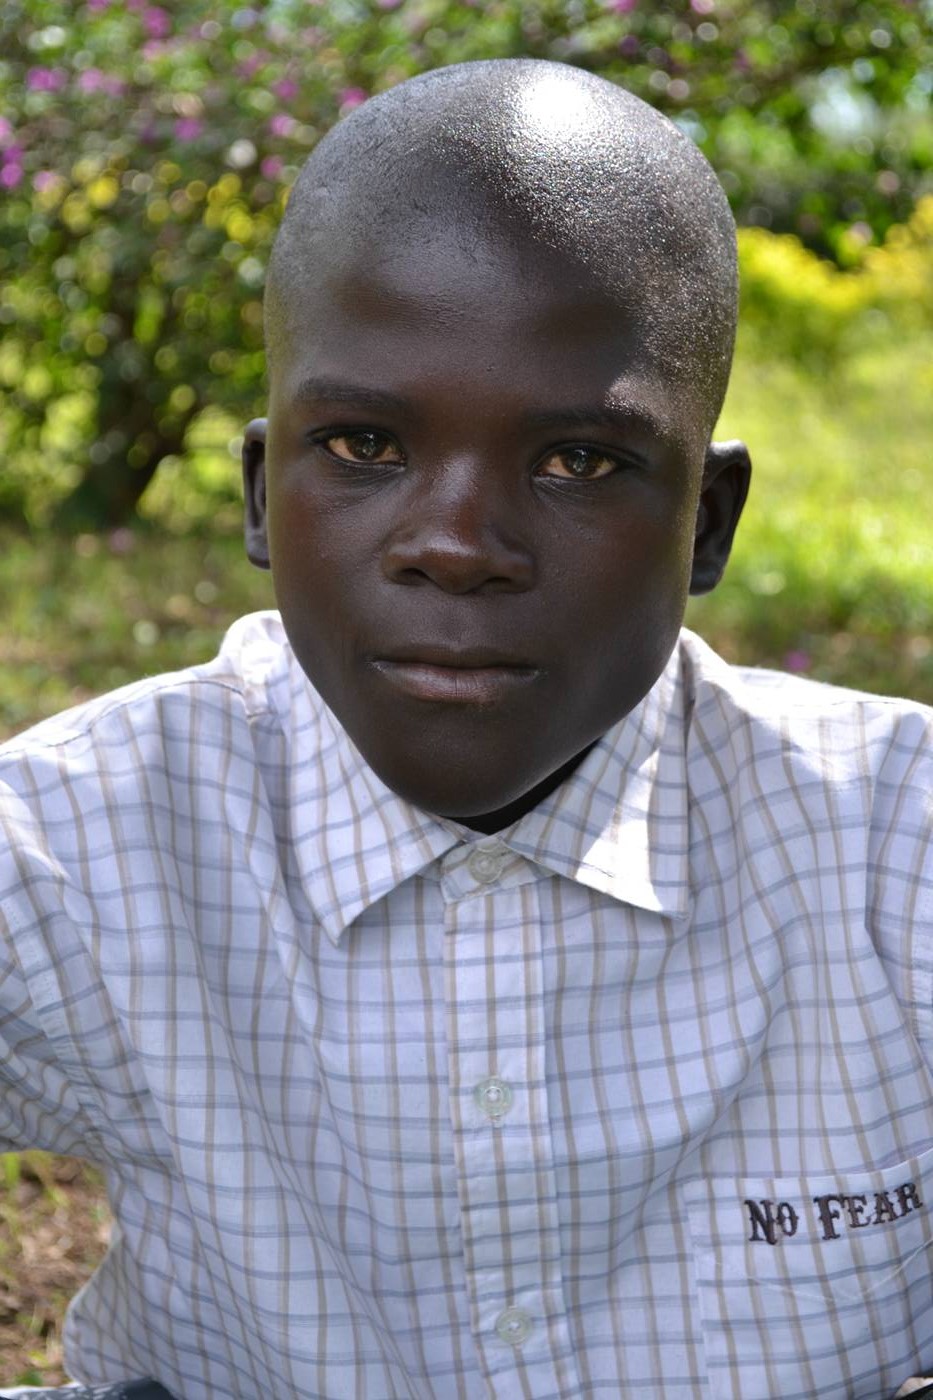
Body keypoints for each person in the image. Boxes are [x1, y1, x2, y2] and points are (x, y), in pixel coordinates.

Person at [0, 57, 931, 1400]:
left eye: (577, 461)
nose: (455, 544)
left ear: (706, 524)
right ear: (261, 495)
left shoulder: (896, 852)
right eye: (364, 447)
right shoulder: (76, 852)